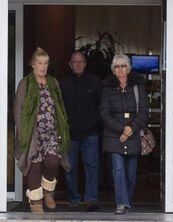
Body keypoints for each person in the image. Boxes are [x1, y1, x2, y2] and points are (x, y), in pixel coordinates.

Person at [13, 47, 70, 213]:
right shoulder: (25, 83)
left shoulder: (53, 82)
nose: (43, 66)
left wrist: (63, 127)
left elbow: (60, 106)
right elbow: (18, 109)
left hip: (52, 131)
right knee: (35, 166)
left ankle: (47, 191)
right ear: (33, 64)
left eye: (45, 63)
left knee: (53, 161)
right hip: (32, 133)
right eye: (39, 63)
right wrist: (24, 134)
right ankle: (36, 202)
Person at [100, 54, 149, 214]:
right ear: (113, 70)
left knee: (130, 175)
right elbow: (105, 114)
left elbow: (143, 112)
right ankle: (121, 203)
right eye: (116, 66)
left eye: (123, 66)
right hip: (114, 137)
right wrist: (122, 129)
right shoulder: (107, 89)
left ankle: (128, 202)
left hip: (133, 136)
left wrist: (130, 130)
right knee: (118, 170)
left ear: (128, 68)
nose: (120, 69)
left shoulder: (138, 88)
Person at [60, 51, 101, 211]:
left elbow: (101, 107)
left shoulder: (95, 82)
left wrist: (94, 123)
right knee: (69, 168)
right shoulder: (63, 84)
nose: (78, 64)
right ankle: (74, 199)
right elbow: (59, 109)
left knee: (92, 167)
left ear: (85, 63)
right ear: (70, 65)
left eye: (81, 61)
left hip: (90, 133)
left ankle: (91, 199)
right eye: (75, 62)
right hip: (70, 135)